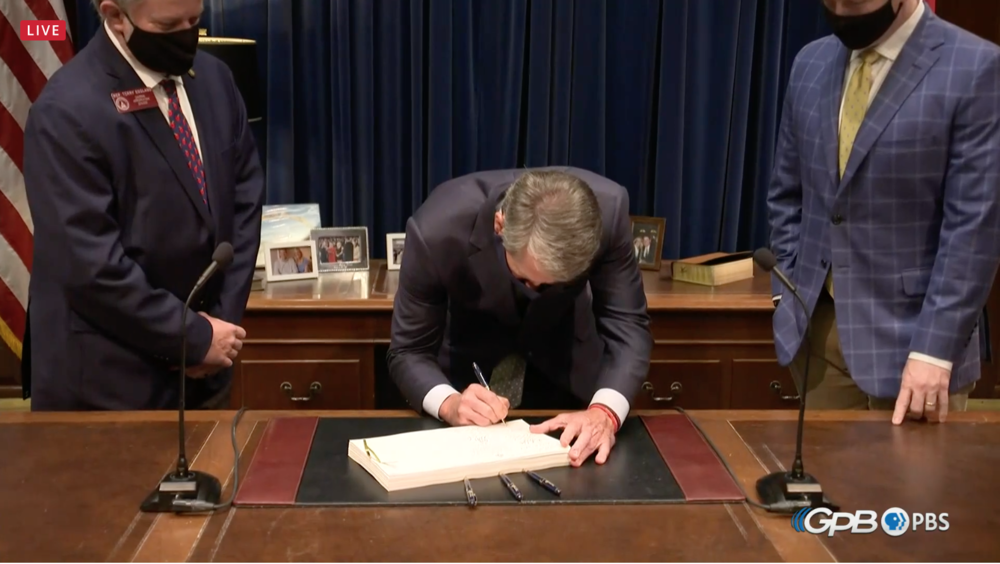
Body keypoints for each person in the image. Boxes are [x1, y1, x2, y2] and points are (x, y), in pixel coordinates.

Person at [21, 0, 265, 410]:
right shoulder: (65, 110)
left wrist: (218, 329)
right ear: (116, 16)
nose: (187, 36)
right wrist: (191, 337)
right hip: (110, 386)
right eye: (169, 25)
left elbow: (244, 206)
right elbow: (90, 266)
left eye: (195, 21)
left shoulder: (216, 80)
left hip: (208, 376)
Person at [767, 0, 1000, 424]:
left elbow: (974, 230)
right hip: (818, 337)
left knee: (909, 491)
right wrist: (787, 290)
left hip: (915, 347)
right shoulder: (809, 63)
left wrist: (935, 349)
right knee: (825, 487)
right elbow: (787, 193)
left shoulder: (975, 68)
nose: (841, 10)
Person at [387, 168, 652, 466]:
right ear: (499, 225)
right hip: (469, 386)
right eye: (525, 279)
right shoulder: (436, 230)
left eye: (555, 284)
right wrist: (449, 404)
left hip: (569, 378)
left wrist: (604, 412)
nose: (536, 291)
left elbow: (628, 326)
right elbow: (409, 350)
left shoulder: (609, 211)